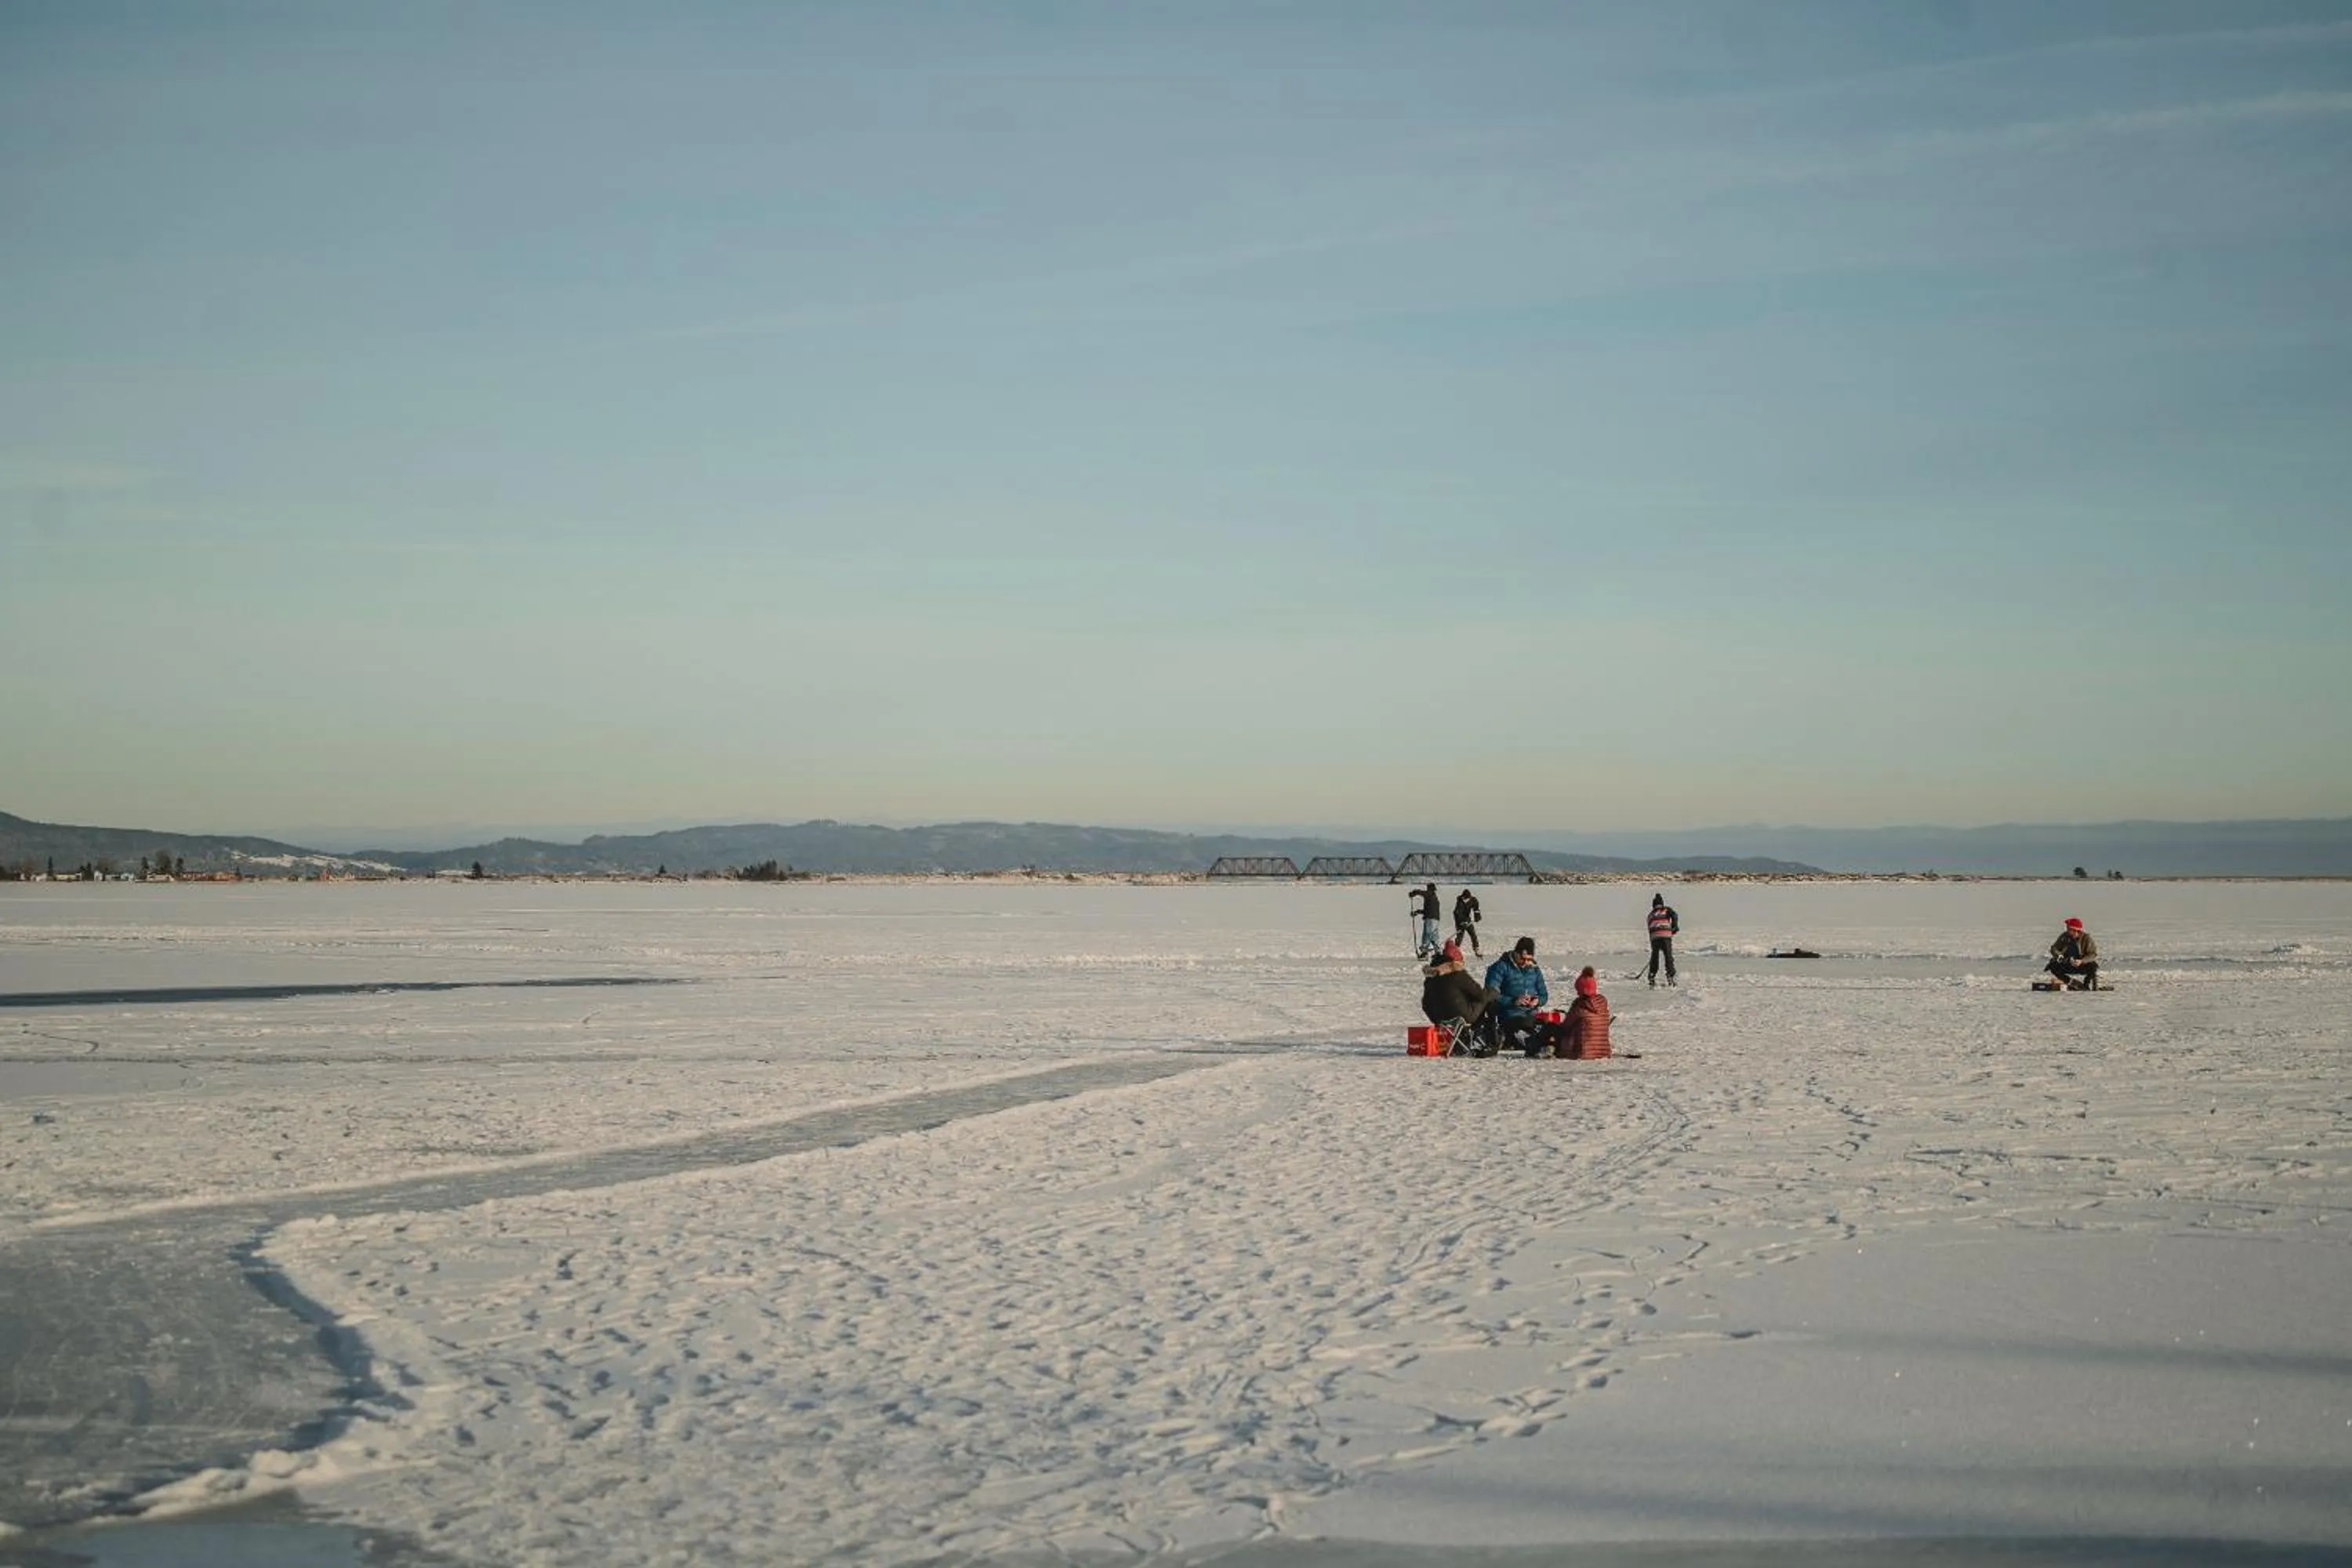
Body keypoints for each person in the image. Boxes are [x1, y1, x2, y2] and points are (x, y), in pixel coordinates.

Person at [1483, 936, 1559, 1056]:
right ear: (1516, 953)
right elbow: (1491, 994)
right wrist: (1513, 1001)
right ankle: (1535, 1045)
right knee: (1523, 1029)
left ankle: (1549, 1044)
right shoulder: (1500, 967)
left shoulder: (1534, 970)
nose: (1526, 962)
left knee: (1553, 1026)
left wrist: (1538, 1001)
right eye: (1523, 959)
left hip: (1532, 1015)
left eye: (1529, 959)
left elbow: (1544, 995)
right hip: (1510, 1015)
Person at [1421, 939, 1497, 1049]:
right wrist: (1493, 992)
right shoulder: (1458, 974)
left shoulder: (1430, 978)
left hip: (1439, 1019)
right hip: (1461, 1017)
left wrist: (1436, 1019)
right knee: (1489, 997)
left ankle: (1470, 1036)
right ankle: (1490, 1039)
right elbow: (1480, 995)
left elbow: (1425, 1004)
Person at [1561, 966, 1612, 1060]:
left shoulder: (1580, 1005)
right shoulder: (1602, 1003)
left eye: (1578, 990)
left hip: (1584, 1051)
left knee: (1557, 1030)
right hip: (1603, 1051)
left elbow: (1566, 1025)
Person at [2047, 917, 2100, 989]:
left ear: (2075, 930)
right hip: (2067, 963)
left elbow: (2092, 954)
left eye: (2069, 928)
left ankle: (2086, 984)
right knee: (2052, 965)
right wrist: (2059, 955)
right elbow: (2054, 948)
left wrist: (2082, 961)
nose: (2067, 930)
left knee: (2093, 966)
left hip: (2081, 964)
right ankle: (2072, 983)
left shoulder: (2086, 938)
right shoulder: (2064, 937)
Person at [1646, 894, 1680, 987]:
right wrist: (1674, 927)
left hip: (1655, 938)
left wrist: (1652, 942)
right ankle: (1671, 976)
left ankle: (1652, 976)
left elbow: (1650, 929)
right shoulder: (1666, 910)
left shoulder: (1650, 915)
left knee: (1654, 958)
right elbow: (1675, 916)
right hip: (1665, 937)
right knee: (1668, 957)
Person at [1410, 881, 1442, 959]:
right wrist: (1417, 912)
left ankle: (1425, 952)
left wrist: (1415, 892)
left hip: (1430, 919)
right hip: (1435, 919)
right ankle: (1438, 953)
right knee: (1433, 936)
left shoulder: (1430, 895)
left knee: (1427, 934)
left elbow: (1423, 893)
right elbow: (1427, 910)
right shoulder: (1434, 898)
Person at [1452, 887, 1483, 957]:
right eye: (1465, 898)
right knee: (1460, 936)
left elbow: (1476, 907)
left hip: (1468, 920)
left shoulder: (1473, 900)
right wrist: (1462, 922)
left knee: (1473, 934)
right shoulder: (1460, 902)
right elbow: (1457, 913)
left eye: (1467, 898)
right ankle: (1456, 949)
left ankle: (1476, 948)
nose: (1466, 899)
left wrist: (1477, 916)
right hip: (1459, 921)